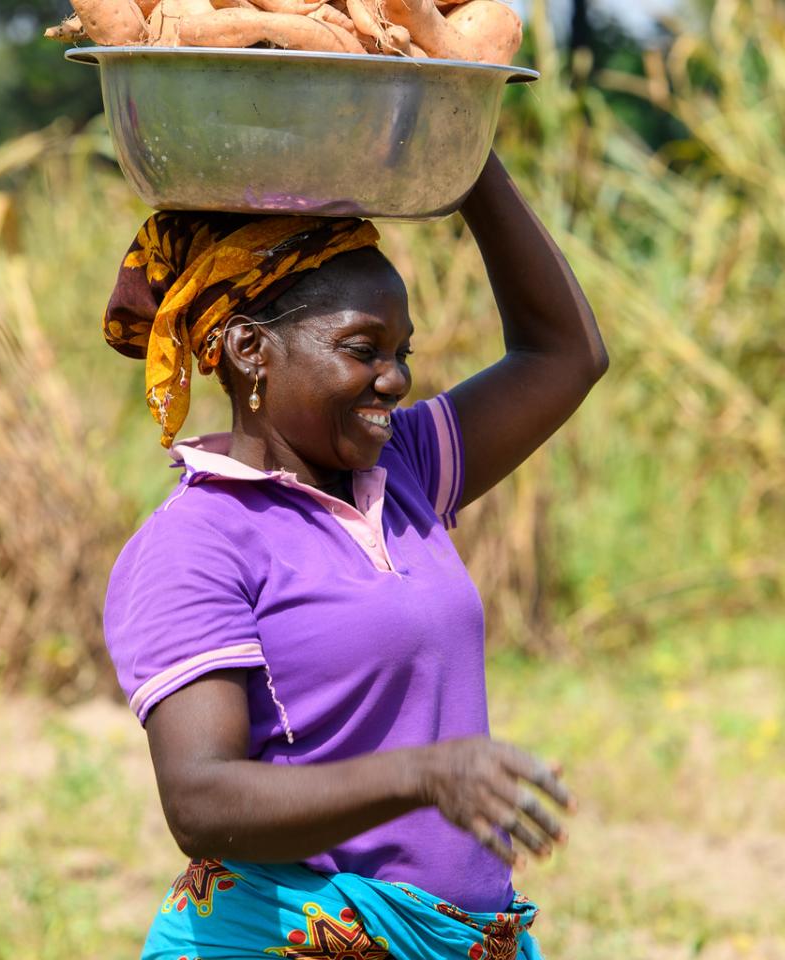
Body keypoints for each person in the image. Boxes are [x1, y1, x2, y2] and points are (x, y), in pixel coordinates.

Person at [99, 152, 607, 960]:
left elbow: (564, 358)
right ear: (247, 350)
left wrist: (466, 157)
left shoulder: (400, 471)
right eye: (362, 348)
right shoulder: (197, 541)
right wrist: (420, 776)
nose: (396, 379)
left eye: (402, 350)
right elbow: (199, 799)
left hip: (461, 938)